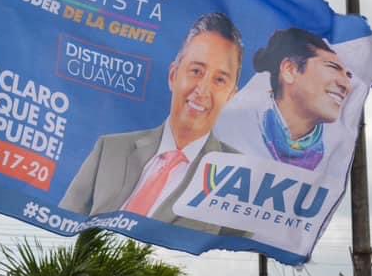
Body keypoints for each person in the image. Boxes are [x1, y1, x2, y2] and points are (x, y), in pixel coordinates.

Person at [59, 13, 245, 234]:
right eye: (196, 71)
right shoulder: (109, 149)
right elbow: (63, 226)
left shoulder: (237, 177)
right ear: (173, 75)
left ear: (231, 96)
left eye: (219, 80)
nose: (202, 90)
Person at [251, 28, 353, 169]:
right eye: (333, 67)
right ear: (290, 69)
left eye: (349, 75)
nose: (346, 85)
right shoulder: (239, 132)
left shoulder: (331, 161)